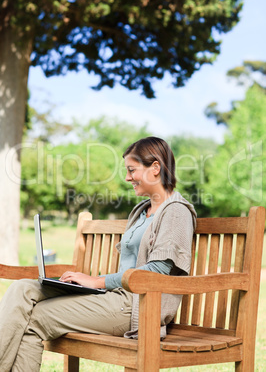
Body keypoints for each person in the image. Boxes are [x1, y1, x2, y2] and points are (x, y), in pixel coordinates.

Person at [0, 136, 196, 371]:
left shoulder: (176, 212)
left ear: (155, 168)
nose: (127, 177)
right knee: (21, 288)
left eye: (132, 170)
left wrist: (96, 281)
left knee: (36, 318)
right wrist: (92, 284)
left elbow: (156, 271)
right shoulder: (142, 210)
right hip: (113, 296)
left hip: (137, 307)